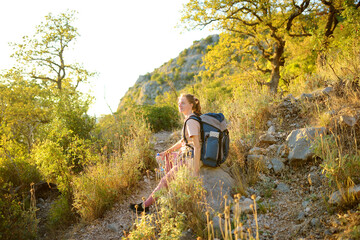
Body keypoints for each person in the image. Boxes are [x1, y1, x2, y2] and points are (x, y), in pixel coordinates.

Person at [130, 93, 202, 213]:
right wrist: (165, 152)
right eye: (179, 103)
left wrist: (195, 171)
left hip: (190, 158)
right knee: (168, 156)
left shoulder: (191, 121)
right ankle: (169, 185)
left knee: (164, 180)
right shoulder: (188, 119)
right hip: (186, 154)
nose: (180, 105)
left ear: (191, 104)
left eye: (183, 103)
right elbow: (183, 141)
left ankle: (145, 206)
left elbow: (198, 146)